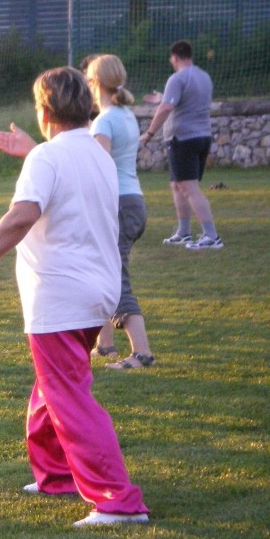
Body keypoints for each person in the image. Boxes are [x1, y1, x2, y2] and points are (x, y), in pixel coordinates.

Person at [0, 67, 149, 527]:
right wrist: (33, 151)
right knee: (49, 391)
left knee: (69, 397)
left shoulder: (48, 158)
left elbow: (22, 217)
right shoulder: (96, 152)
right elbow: (65, 172)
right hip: (98, 291)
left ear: (44, 110)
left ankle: (119, 500)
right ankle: (56, 474)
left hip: (60, 297)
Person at [85, 55, 156, 370]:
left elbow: (99, 170)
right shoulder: (126, 115)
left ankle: (141, 354)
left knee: (116, 279)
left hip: (117, 205)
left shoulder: (104, 121)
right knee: (102, 273)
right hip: (133, 201)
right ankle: (105, 345)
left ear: (95, 82)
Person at [140, 39, 223, 250]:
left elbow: (167, 109)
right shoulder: (204, 77)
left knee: (189, 187)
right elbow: (186, 101)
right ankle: (183, 232)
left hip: (182, 139)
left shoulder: (177, 78)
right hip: (202, 136)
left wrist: (149, 133)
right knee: (177, 185)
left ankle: (211, 236)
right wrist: (162, 97)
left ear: (174, 57)